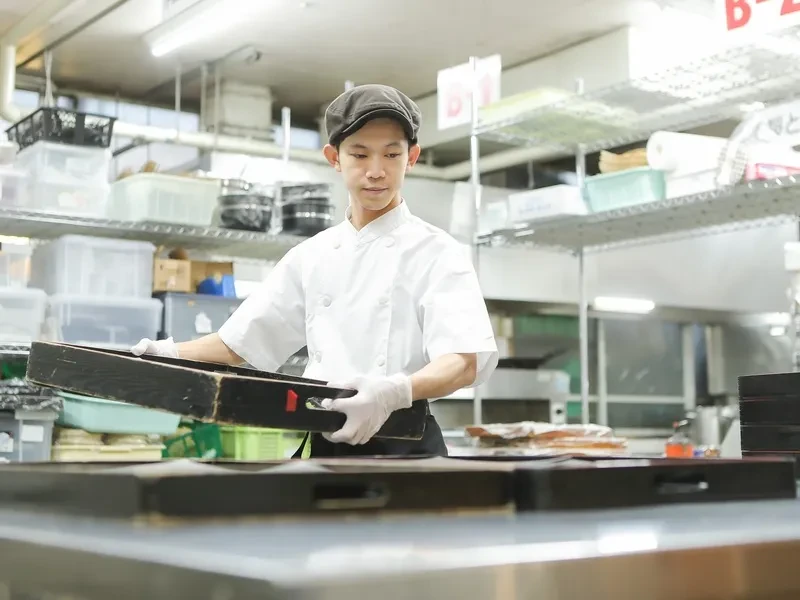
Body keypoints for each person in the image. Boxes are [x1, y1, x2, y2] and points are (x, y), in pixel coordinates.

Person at [132, 84, 498, 457]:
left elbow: (463, 362)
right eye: (359, 154)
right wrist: (169, 353)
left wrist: (394, 392)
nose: (376, 171)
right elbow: (237, 344)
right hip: (328, 442)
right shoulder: (312, 256)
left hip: (409, 445)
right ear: (334, 157)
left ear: (412, 157)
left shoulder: (436, 252)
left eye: (391, 155)